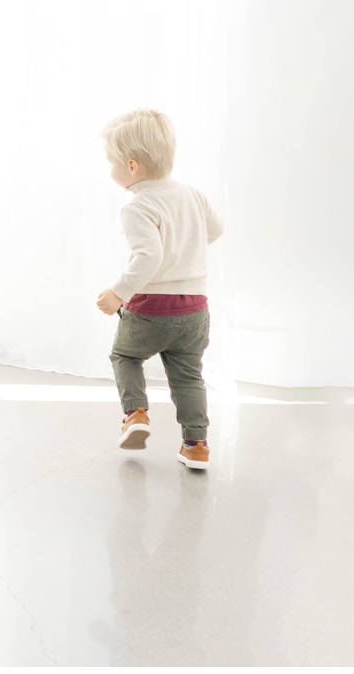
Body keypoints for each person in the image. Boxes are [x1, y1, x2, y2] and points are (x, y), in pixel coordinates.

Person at [93, 108, 224, 470]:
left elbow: (149, 257)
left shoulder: (138, 207)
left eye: (111, 162)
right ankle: (196, 445)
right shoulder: (193, 195)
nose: (110, 169)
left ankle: (135, 413)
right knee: (188, 375)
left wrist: (118, 292)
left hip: (152, 309)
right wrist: (186, 244)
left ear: (131, 167)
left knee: (126, 357)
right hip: (195, 310)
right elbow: (215, 231)